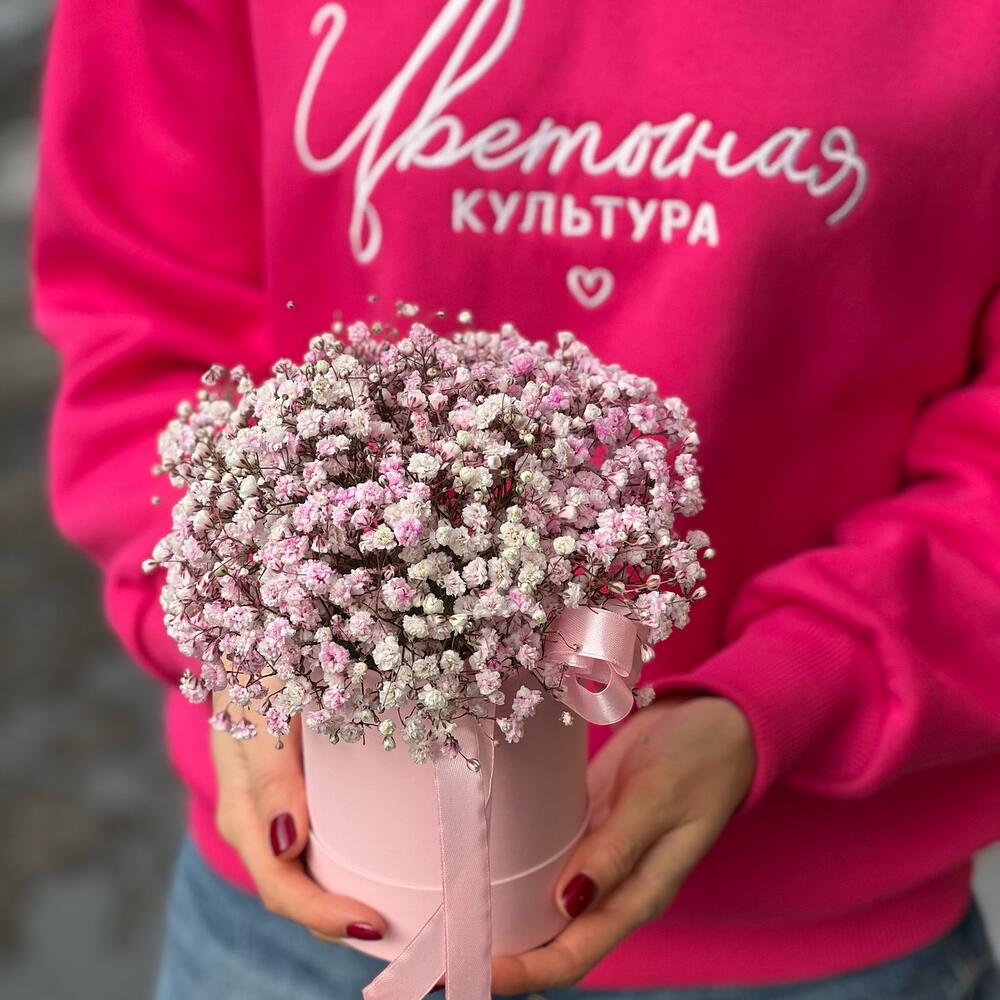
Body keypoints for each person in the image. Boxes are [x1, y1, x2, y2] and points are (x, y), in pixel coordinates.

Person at [32, 1, 1000, 998]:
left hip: (816, 935)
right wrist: (235, 627)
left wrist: (801, 683)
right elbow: (142, 312)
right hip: (310, 887)